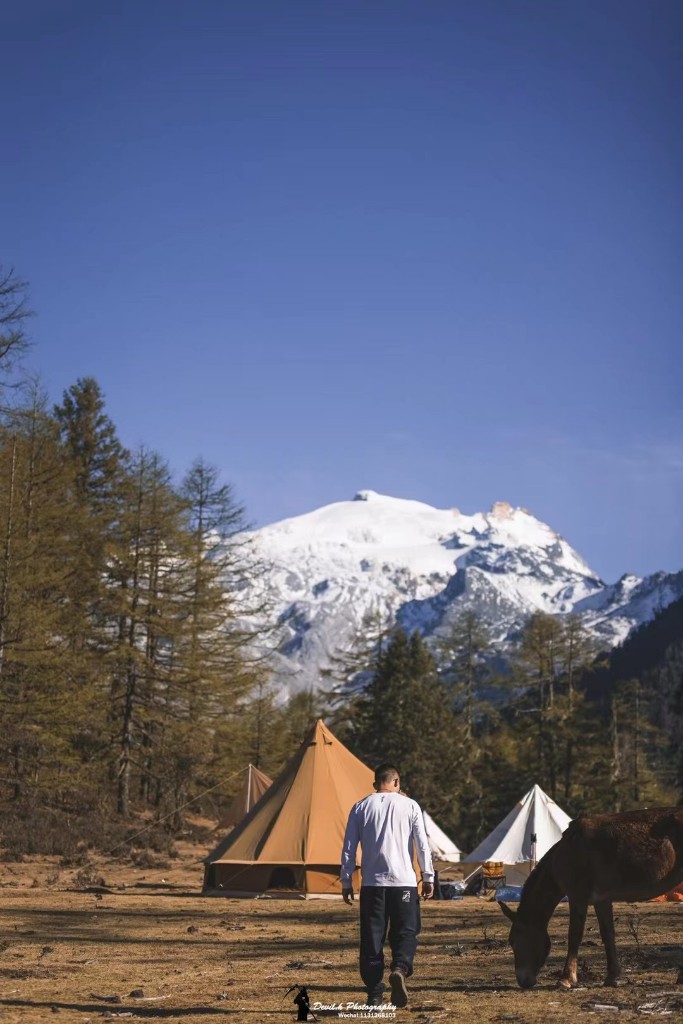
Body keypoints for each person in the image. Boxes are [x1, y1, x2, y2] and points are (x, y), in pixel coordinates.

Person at [340, 762, 434, 1008]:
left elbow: (349, 847)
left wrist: (347, 880)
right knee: (406, 931)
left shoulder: (360, 806)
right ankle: (400, 968)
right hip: (404, 882)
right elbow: (422, 844)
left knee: (372, 937)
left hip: (372, 884)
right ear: (396, 781)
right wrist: (428, 876)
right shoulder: (410, 805)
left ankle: (373, 991)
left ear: (375, 783)